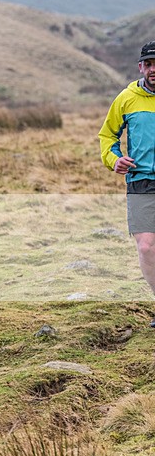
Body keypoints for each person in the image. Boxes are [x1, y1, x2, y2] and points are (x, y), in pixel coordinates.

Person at [99, 41, 155, 325]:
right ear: (141, 67)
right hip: (141, 181)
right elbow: (107, 136)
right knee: (146, 247)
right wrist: (115, 159)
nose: (154, 69)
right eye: (149, 64)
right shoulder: (126, 98)